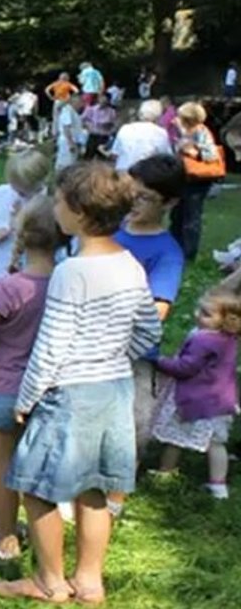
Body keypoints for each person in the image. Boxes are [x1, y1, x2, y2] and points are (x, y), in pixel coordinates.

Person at [0, 162, 161, 604]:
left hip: (67, 393)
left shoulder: (72, 271)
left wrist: (26, 397)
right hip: (114, 388)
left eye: (61, 202)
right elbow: (148, 332)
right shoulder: (129, 264)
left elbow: (52, 344)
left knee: (36, 487)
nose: (56, 210)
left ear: (81, 213)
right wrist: (113, 355)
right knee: (95, 486)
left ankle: (49, 581)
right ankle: (89, 581)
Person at [0, 196, 61, 562]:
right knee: (38, 468)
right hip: (48, 388)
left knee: (1, 464)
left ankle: (5, 539)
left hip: (2, 385)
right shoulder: (65, 283)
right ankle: (43, 541)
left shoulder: (8, 287)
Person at [115, 155, 186, 466]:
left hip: (134, 354)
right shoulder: (111, 229)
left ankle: (117, 486)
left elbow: (158, 310)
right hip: (92, 347)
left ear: (169, 203)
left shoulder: (166, 252)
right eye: (131, 192)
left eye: (146, 197)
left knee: (130, 421)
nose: (134, 201)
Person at [151, 288, 241, 498]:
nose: (197, 315)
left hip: (195, 399)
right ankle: (218, 485)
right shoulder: (228, 338)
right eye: (199, 310)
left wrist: (160, 361)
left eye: (206, 314)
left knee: (175, 436)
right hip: (220, 400)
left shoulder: (203, 340)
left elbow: (186, 368)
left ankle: (166, 471)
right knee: (216, 443)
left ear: (225, 320)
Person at [0, 148, 49, 292]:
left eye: (25, 188)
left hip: (35, 278)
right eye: (15, 185)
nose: (18, 192)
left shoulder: (49, 202)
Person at [170, 102, 222, 261]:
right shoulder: (187, 131)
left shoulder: (201, 131)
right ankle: (174, 247)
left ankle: (188, 253)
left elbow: (212, 155)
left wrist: (193, 152)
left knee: (191, 216)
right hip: (184, 178)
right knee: (177, 215)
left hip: (197, 180)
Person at [108, 99, 173, 172]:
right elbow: (166, 157)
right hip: (145, 175)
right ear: (159, 115)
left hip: (122, 172)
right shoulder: (160, 132)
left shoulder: (125, 128)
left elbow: (114, 155)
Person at [80, 93, 117, 160]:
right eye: (102, 99)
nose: (103, 101)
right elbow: (83, 120)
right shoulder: (91, 109)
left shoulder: (111, 111)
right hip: (93, 135)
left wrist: (109, 126)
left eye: (105, 100)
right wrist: (88, 126)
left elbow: (114, 125)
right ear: (98, 99)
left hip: (104, 137)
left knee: (103, 157)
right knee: (88, 157)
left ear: (108, 101)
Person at [55, 94, 86, 171]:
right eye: (81, 102)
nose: (82, 104)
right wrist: (70, 143)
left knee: (71, 164)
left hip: (72, 141)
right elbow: (66, 127)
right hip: (67, 142)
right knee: (65, 164)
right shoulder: (67, 110)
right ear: (74, 101)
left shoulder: (73, 112)